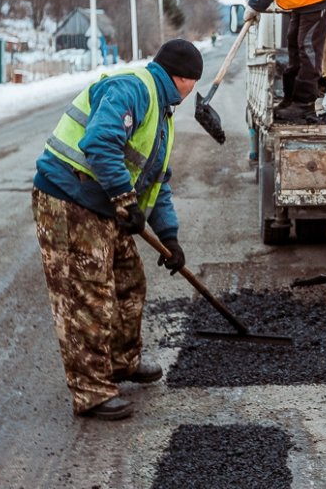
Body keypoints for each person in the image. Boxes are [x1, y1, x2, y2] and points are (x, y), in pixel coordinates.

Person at [30, 39, 204, 420]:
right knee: (87, 295)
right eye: (193, 82)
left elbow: (156, 180)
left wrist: (169, 237)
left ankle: (120, 361)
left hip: (102, 204)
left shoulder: (162, 110)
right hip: (69, 200)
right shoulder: (133, 88)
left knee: (128, 282)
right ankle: (91, 391)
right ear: (183, 78)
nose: (192, 92)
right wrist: (125, 199)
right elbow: (99, 143)